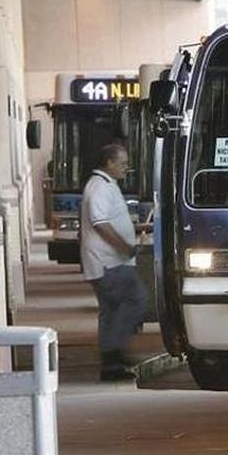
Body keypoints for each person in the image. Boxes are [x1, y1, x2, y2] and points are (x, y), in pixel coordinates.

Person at [80, 144, 147, 380]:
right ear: (109, 163)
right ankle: (113, 352)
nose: (126, 168)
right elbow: (100, 223)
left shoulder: (107, 185)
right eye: (122, 163)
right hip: (109, 262)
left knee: (111, 311)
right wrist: (124, 247)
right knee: (136, 300)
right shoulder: (99, 187)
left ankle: (111, 363)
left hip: (109, 261)